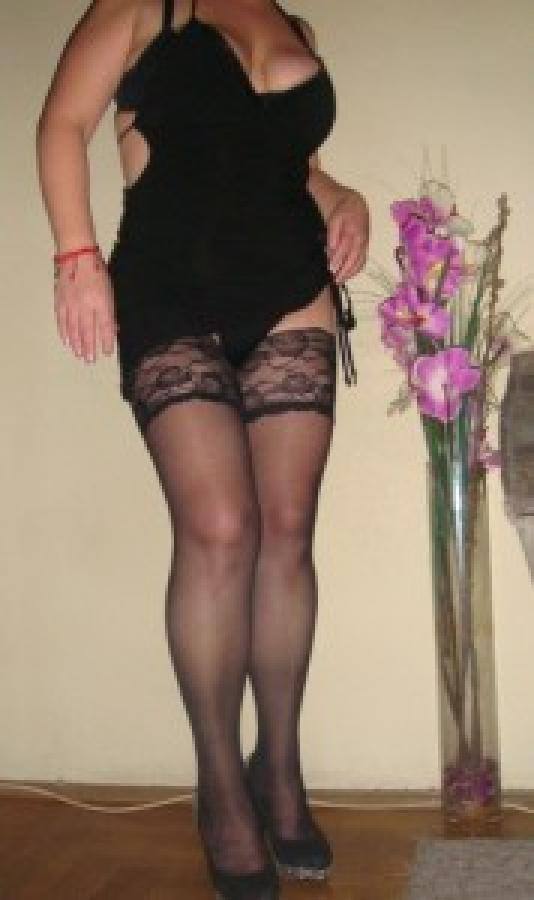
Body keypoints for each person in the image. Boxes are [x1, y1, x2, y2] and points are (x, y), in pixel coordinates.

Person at [36, 0, 370, 897]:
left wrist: (342, 197)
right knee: (222, 529)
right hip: (170, 287)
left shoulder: (291, 24)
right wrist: (75, 255)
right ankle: (221, 788)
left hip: (291, 283)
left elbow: (294, 166)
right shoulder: (140, 7)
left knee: (287, 532)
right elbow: (62, 123)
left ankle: (280, 772)